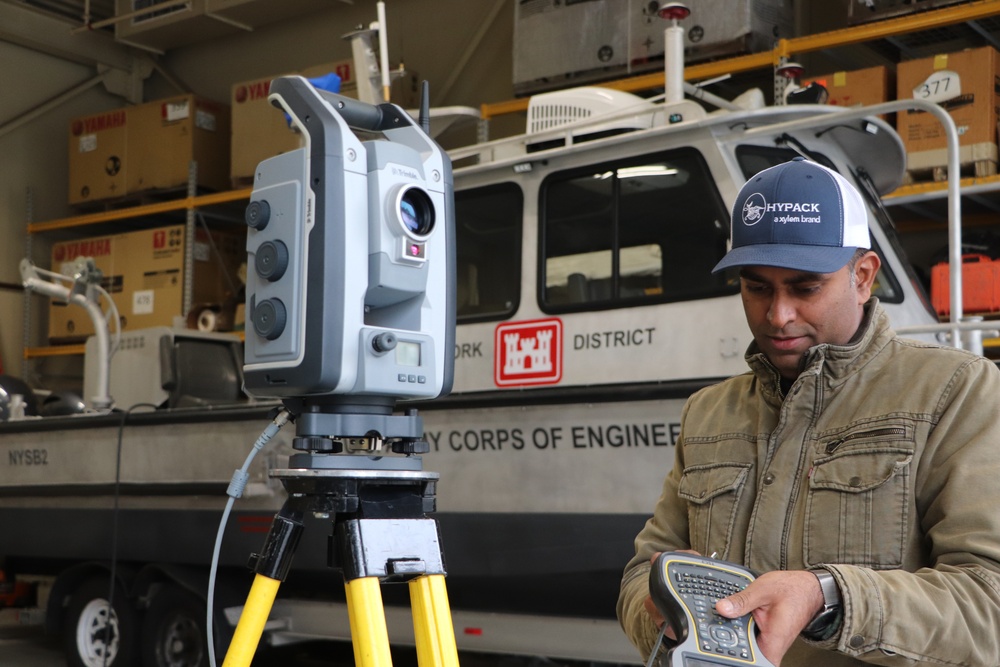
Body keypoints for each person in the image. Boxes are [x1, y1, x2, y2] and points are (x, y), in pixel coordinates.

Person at [617, 157, 1000, 667]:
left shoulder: (956, 392)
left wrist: (829, 599)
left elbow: (988, 602)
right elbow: (643, 571)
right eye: (757, 287)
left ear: (862, 277)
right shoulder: (707, 415)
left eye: (805, 287)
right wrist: (665, 622)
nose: (778, 315)